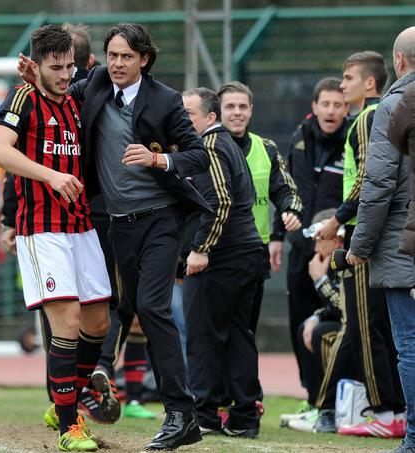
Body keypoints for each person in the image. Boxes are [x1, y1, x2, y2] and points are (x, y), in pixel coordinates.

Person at [65, 23, 213, 451]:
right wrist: (32, 80)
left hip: (161, 220)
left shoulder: (165, 101)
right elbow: (56, 99)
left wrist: (158, 158)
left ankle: (181, 415)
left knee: (151, 307)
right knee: (119, 308)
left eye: (127, 56)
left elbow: (198, 155)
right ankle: (83, 393)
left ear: (144, 60)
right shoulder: (92, 83)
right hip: (115, 223)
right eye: (112, 55)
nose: (117, 63)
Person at [0, 25, 111, 452]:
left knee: (98, 321)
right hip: (41, 228)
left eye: (69, 66)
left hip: (80, 225)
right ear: (36, 66)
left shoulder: (74, 97)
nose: (64, 74)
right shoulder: (22, 97)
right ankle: (68, 425)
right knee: (68, 321)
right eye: (55, 67)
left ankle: (64, 402)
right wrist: (52, 175)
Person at [313, 51, 405, 437]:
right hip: (375, 231)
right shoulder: (373, 116)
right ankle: (335, 408)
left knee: (367, 327)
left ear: (370, 83)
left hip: (366, 235)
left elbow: (369, 177)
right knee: (371, 326)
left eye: (348, 78)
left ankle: (385, 412)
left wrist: (337, 218)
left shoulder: (369, 117)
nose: (342, 83)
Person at [181, 87, 264, 438]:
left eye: (189, 115)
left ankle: (205, 415)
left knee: (204, 335)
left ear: (210, 118)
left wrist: (201, 248)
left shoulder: (211, 146)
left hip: (224, 258)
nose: (183, 121)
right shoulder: (225, 144)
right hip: (245, 254)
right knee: (237, 336)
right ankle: (245, 415)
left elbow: (221, 202)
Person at [348, 27, 415, 453]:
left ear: (400, 61)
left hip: (404, 246)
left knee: (409, 345)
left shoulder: (395, 105)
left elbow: (378, 185)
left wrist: (359, 246)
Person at [216, 81, 302, 332]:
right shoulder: (205, 148)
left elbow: (287, 189)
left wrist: (291, 210)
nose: (237, 112)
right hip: (216, 250)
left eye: (243, 106)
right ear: (218, 112)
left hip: (254, 251)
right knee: (216, 330)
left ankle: (245, 374)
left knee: (246, 328)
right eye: (230, 106)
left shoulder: (267, 148)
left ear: (251, 110)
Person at [284, 77, 348, 390]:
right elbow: (284, 189)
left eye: (338, 104)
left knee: (334, 319)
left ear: (346, 108)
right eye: (326, 103)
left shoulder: (354, 140)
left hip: (336, 249)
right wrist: (278, 238)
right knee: (300, 321)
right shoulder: (299, 138)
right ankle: (311, 395)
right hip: (300, 248)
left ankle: (334, 396)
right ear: (315, 107)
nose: (331, 110)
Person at [283, 209, 344, 431]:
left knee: (321, 334)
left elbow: (344, 309)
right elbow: (329, 308)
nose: (316, 246)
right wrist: (315, 318)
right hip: (344, 327)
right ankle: (315, 405)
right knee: (307, 327)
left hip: (358, 335)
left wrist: (320, 281)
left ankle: (328, 410)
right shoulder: (330, 262)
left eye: (320, 238)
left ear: (337, 240)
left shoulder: (345, 261)